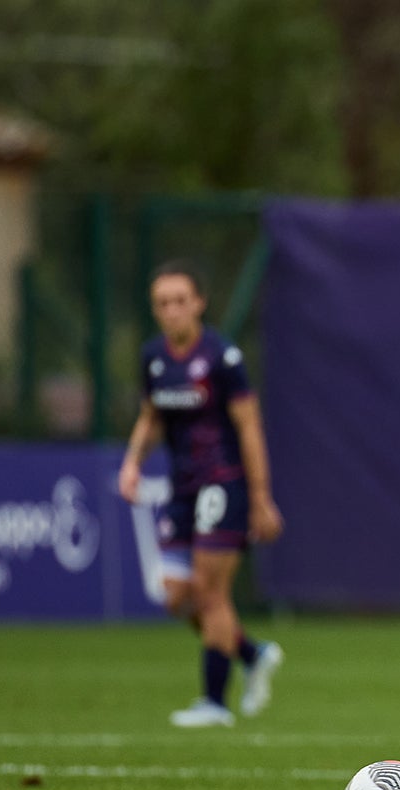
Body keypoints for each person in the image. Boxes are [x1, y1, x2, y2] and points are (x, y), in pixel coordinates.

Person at [118, 260, 285, 728]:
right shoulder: (154, 358)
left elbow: (249, 426)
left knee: (211, 593)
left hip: (223, 483)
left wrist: (260, 496)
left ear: (199, 303)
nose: (171, 310)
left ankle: (214, 701)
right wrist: (132, 463)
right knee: (175, 597)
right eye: (162, 303)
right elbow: (151, 417)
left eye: (179, 300)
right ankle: (251, 653)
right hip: (182, 488)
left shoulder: (221, 358)